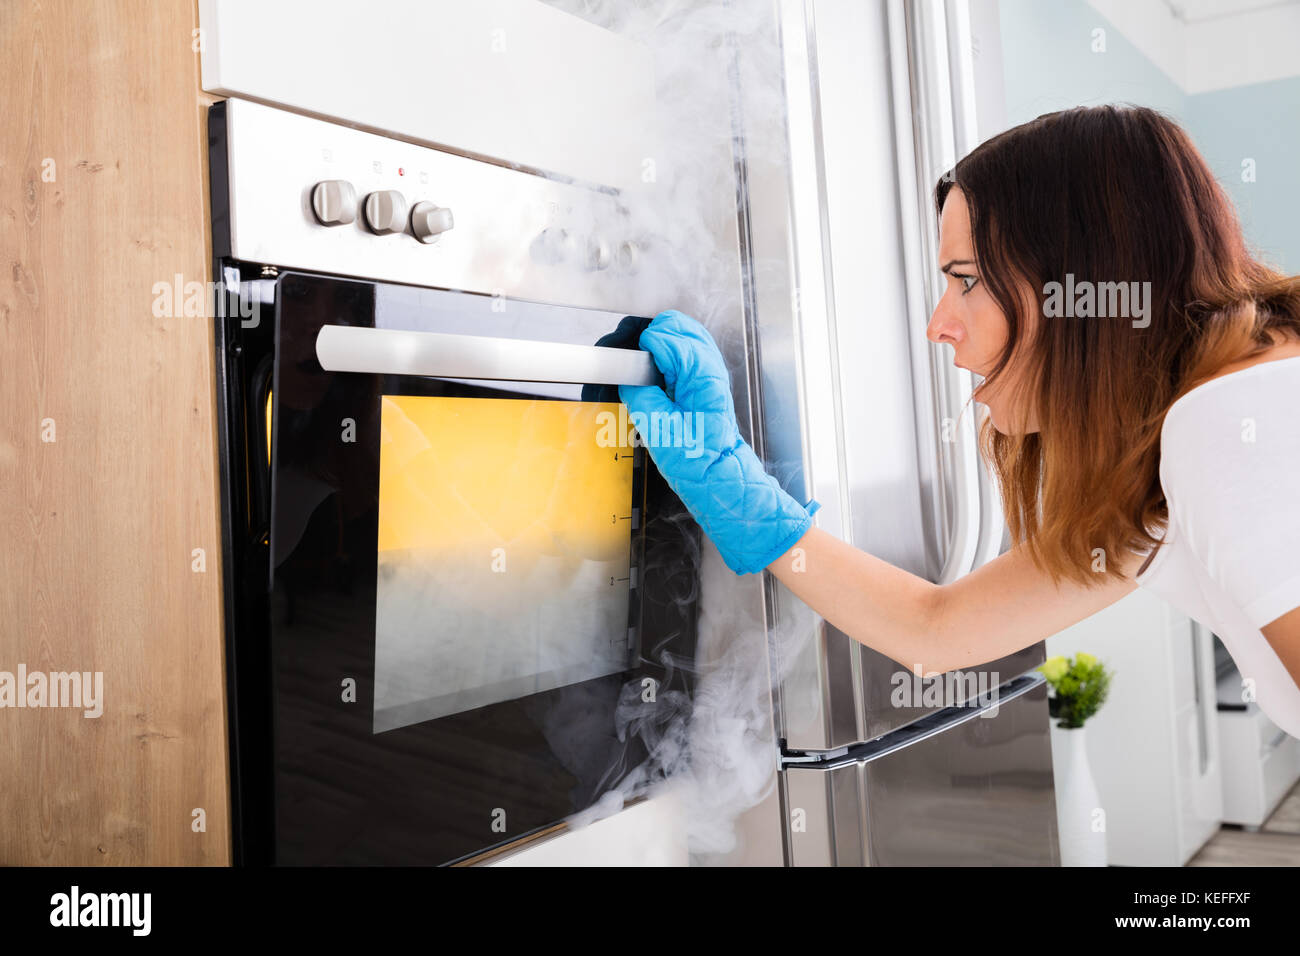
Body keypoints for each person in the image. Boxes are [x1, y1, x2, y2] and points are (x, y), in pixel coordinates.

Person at [618, 104, 1300, 739]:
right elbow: (937, 630)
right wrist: (740, 494)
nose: (938, 326)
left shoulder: (1227, 422)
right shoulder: (1174, 435)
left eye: (967, 279)